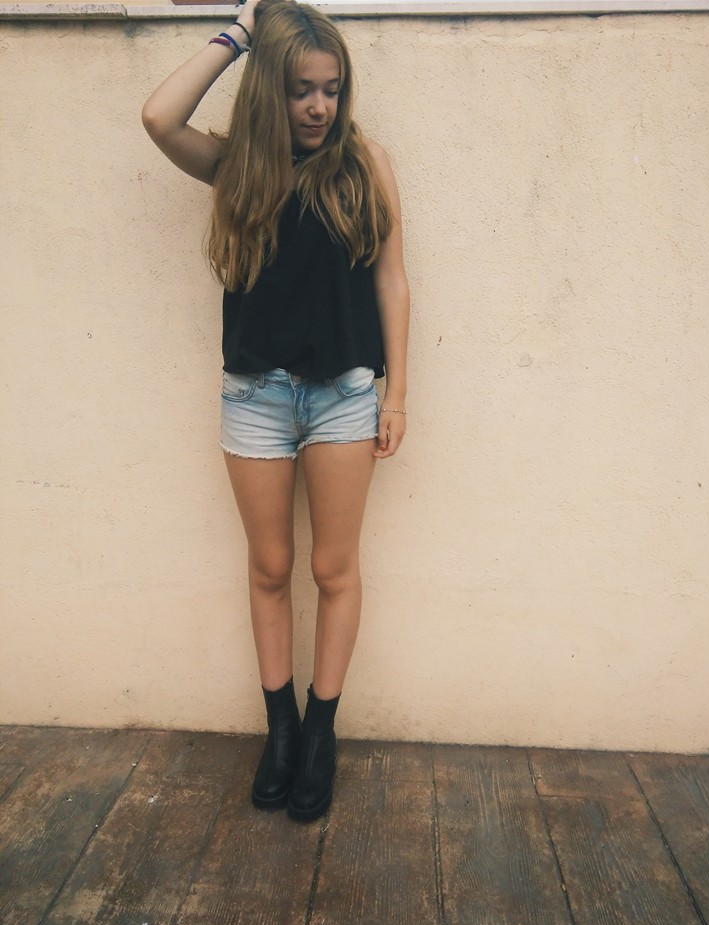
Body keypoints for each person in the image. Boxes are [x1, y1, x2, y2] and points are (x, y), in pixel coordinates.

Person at [142, 0, 409, 822]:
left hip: (343, 396)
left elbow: (392, 280)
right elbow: (158, 117)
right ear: (271, 90)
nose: (319, 106)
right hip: (255, 396)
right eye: (300, 90)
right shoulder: (238, 167)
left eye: (331, 89)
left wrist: (398, 392)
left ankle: (321, 734)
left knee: (333, 570)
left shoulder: (366, 163)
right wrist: (240, 33)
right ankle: (282, 732)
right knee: (268, 568)